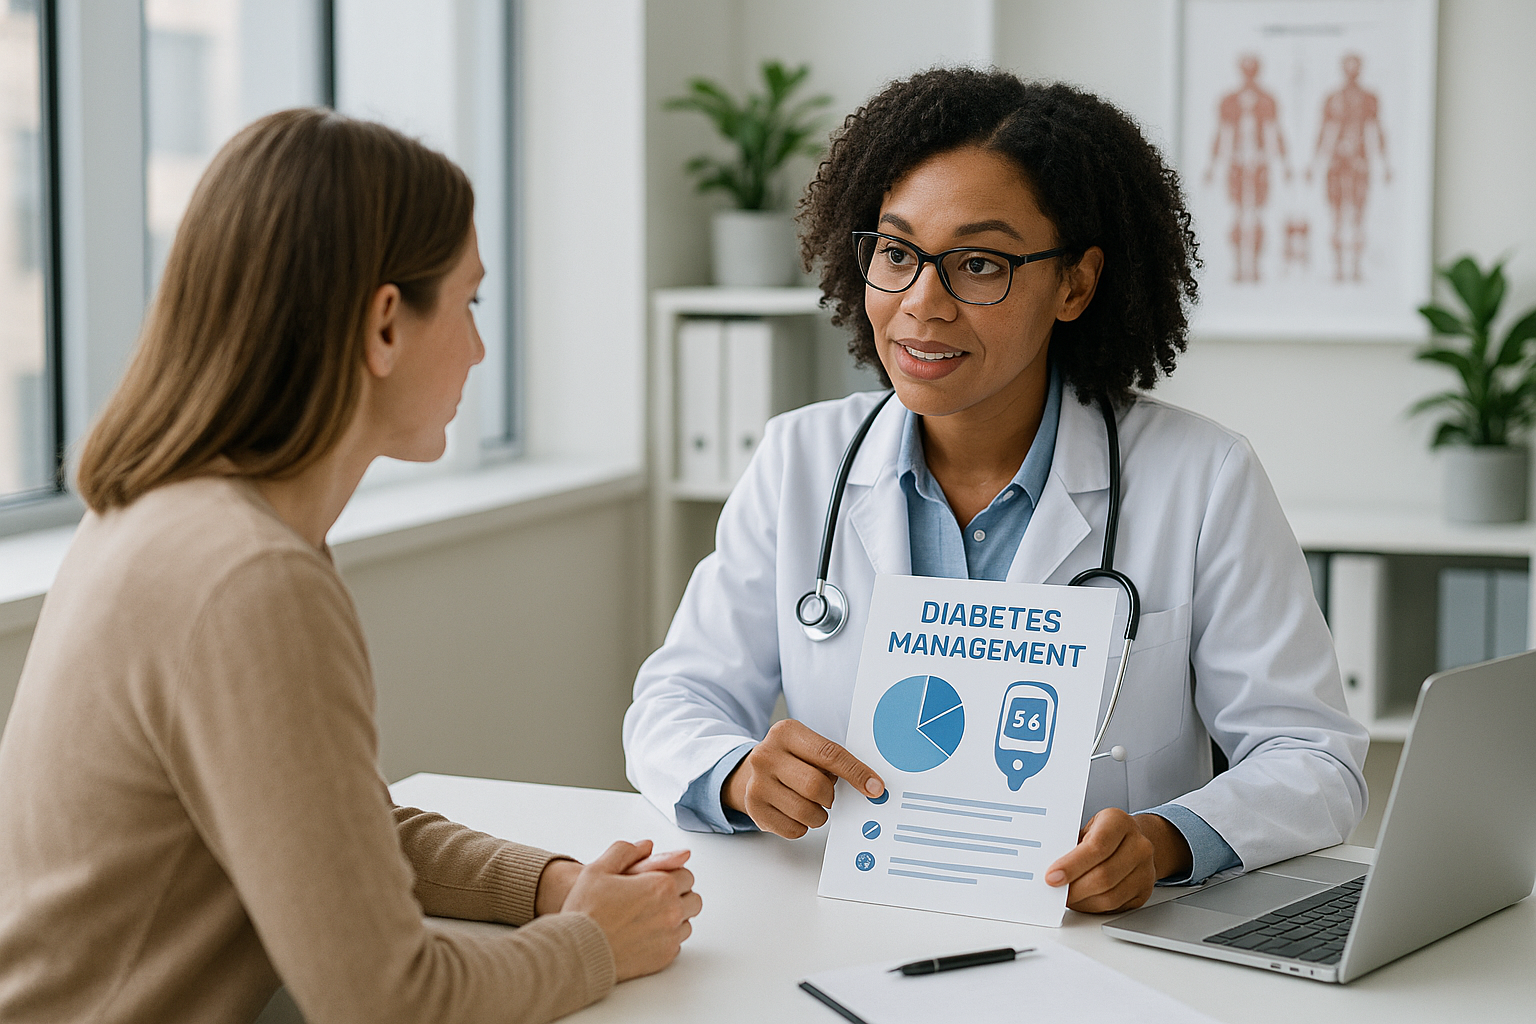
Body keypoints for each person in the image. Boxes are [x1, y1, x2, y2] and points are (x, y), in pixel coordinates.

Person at [0, 109, 700, 1024]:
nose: (480, 349)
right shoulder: (245, 578)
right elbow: (386, 1000)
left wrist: (554, 885)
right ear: (383, 324)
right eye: (469, 304)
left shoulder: (167, 516)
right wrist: (594, 946)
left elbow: (333, 838)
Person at [624, 69, 1368, 914]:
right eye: (897, 254)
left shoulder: (1202, 477)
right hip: (849, 918)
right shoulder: (802, 459)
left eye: (978, 264)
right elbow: (675, 703)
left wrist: (1165, 842)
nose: (921, 305)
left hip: (1098, 947)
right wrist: (735, 774)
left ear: (1076, 285)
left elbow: (1314, 758)